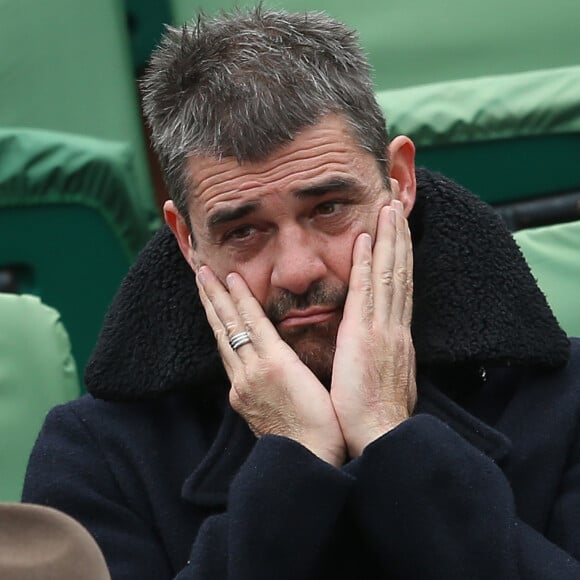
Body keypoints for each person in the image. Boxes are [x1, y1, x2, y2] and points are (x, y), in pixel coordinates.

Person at [22, 7, 580, 579]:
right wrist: (293, 460)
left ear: (400, 181)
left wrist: (393, 436)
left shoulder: (565, 399)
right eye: (243, 231)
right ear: (186, 239)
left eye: (329, 208)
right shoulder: (96, 454)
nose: (295, 270)